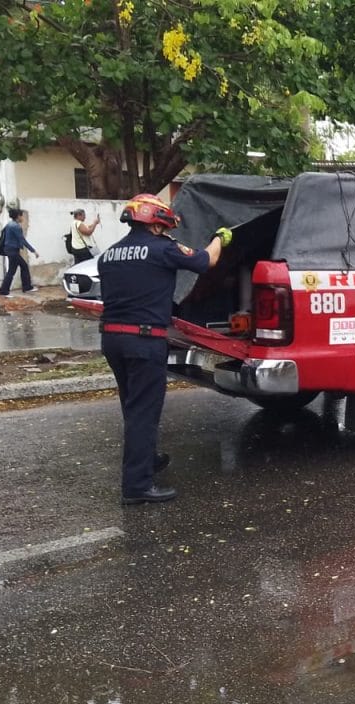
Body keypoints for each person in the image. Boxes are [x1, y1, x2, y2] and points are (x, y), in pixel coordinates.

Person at [99, 193, 231, 505]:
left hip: (113, 340)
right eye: (166, 226)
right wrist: (219, 238)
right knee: (144, 412)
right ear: (157, 226)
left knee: (133, 406)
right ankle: (137, 487)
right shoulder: (162, 249)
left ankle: (146, 459)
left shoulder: (109, 255)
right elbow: (206, 261)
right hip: (144, 341)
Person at [0, 207, 40, 296]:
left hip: (10, 250)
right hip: (12, 251)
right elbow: (22, 240)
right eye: (22, 216)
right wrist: (33, 251)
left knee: (22, 267)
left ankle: (26, 287)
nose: (23, 218)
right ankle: (4, 291)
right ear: (18, 216)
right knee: (13, 270)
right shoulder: (15, 226)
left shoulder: (10, 224)